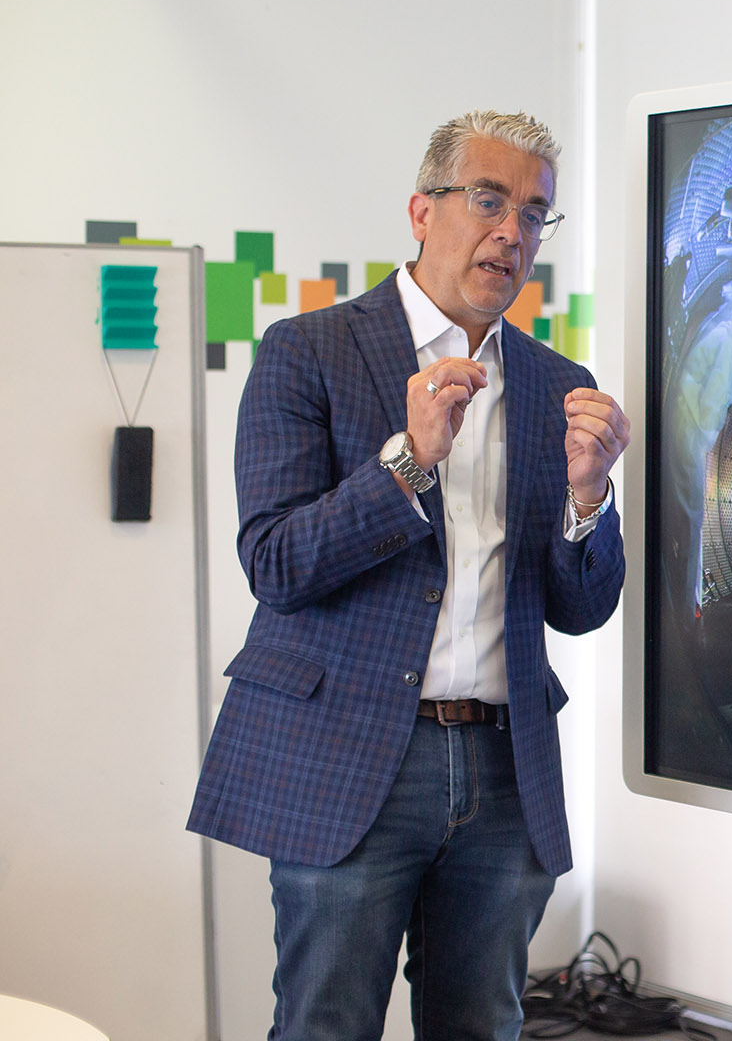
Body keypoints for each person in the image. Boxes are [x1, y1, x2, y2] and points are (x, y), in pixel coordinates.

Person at [187, 110, 629, 1040]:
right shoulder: (307, 352)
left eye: (536, 214)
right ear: (422, 211)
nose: (513, 231)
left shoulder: (557, 384)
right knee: (326, 1024)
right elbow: (276, 562)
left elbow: (582, 609)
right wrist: (407, 465)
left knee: (482, 1028)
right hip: (351, 760)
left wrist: (589, 501)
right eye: (489, 199)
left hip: (506, 769)